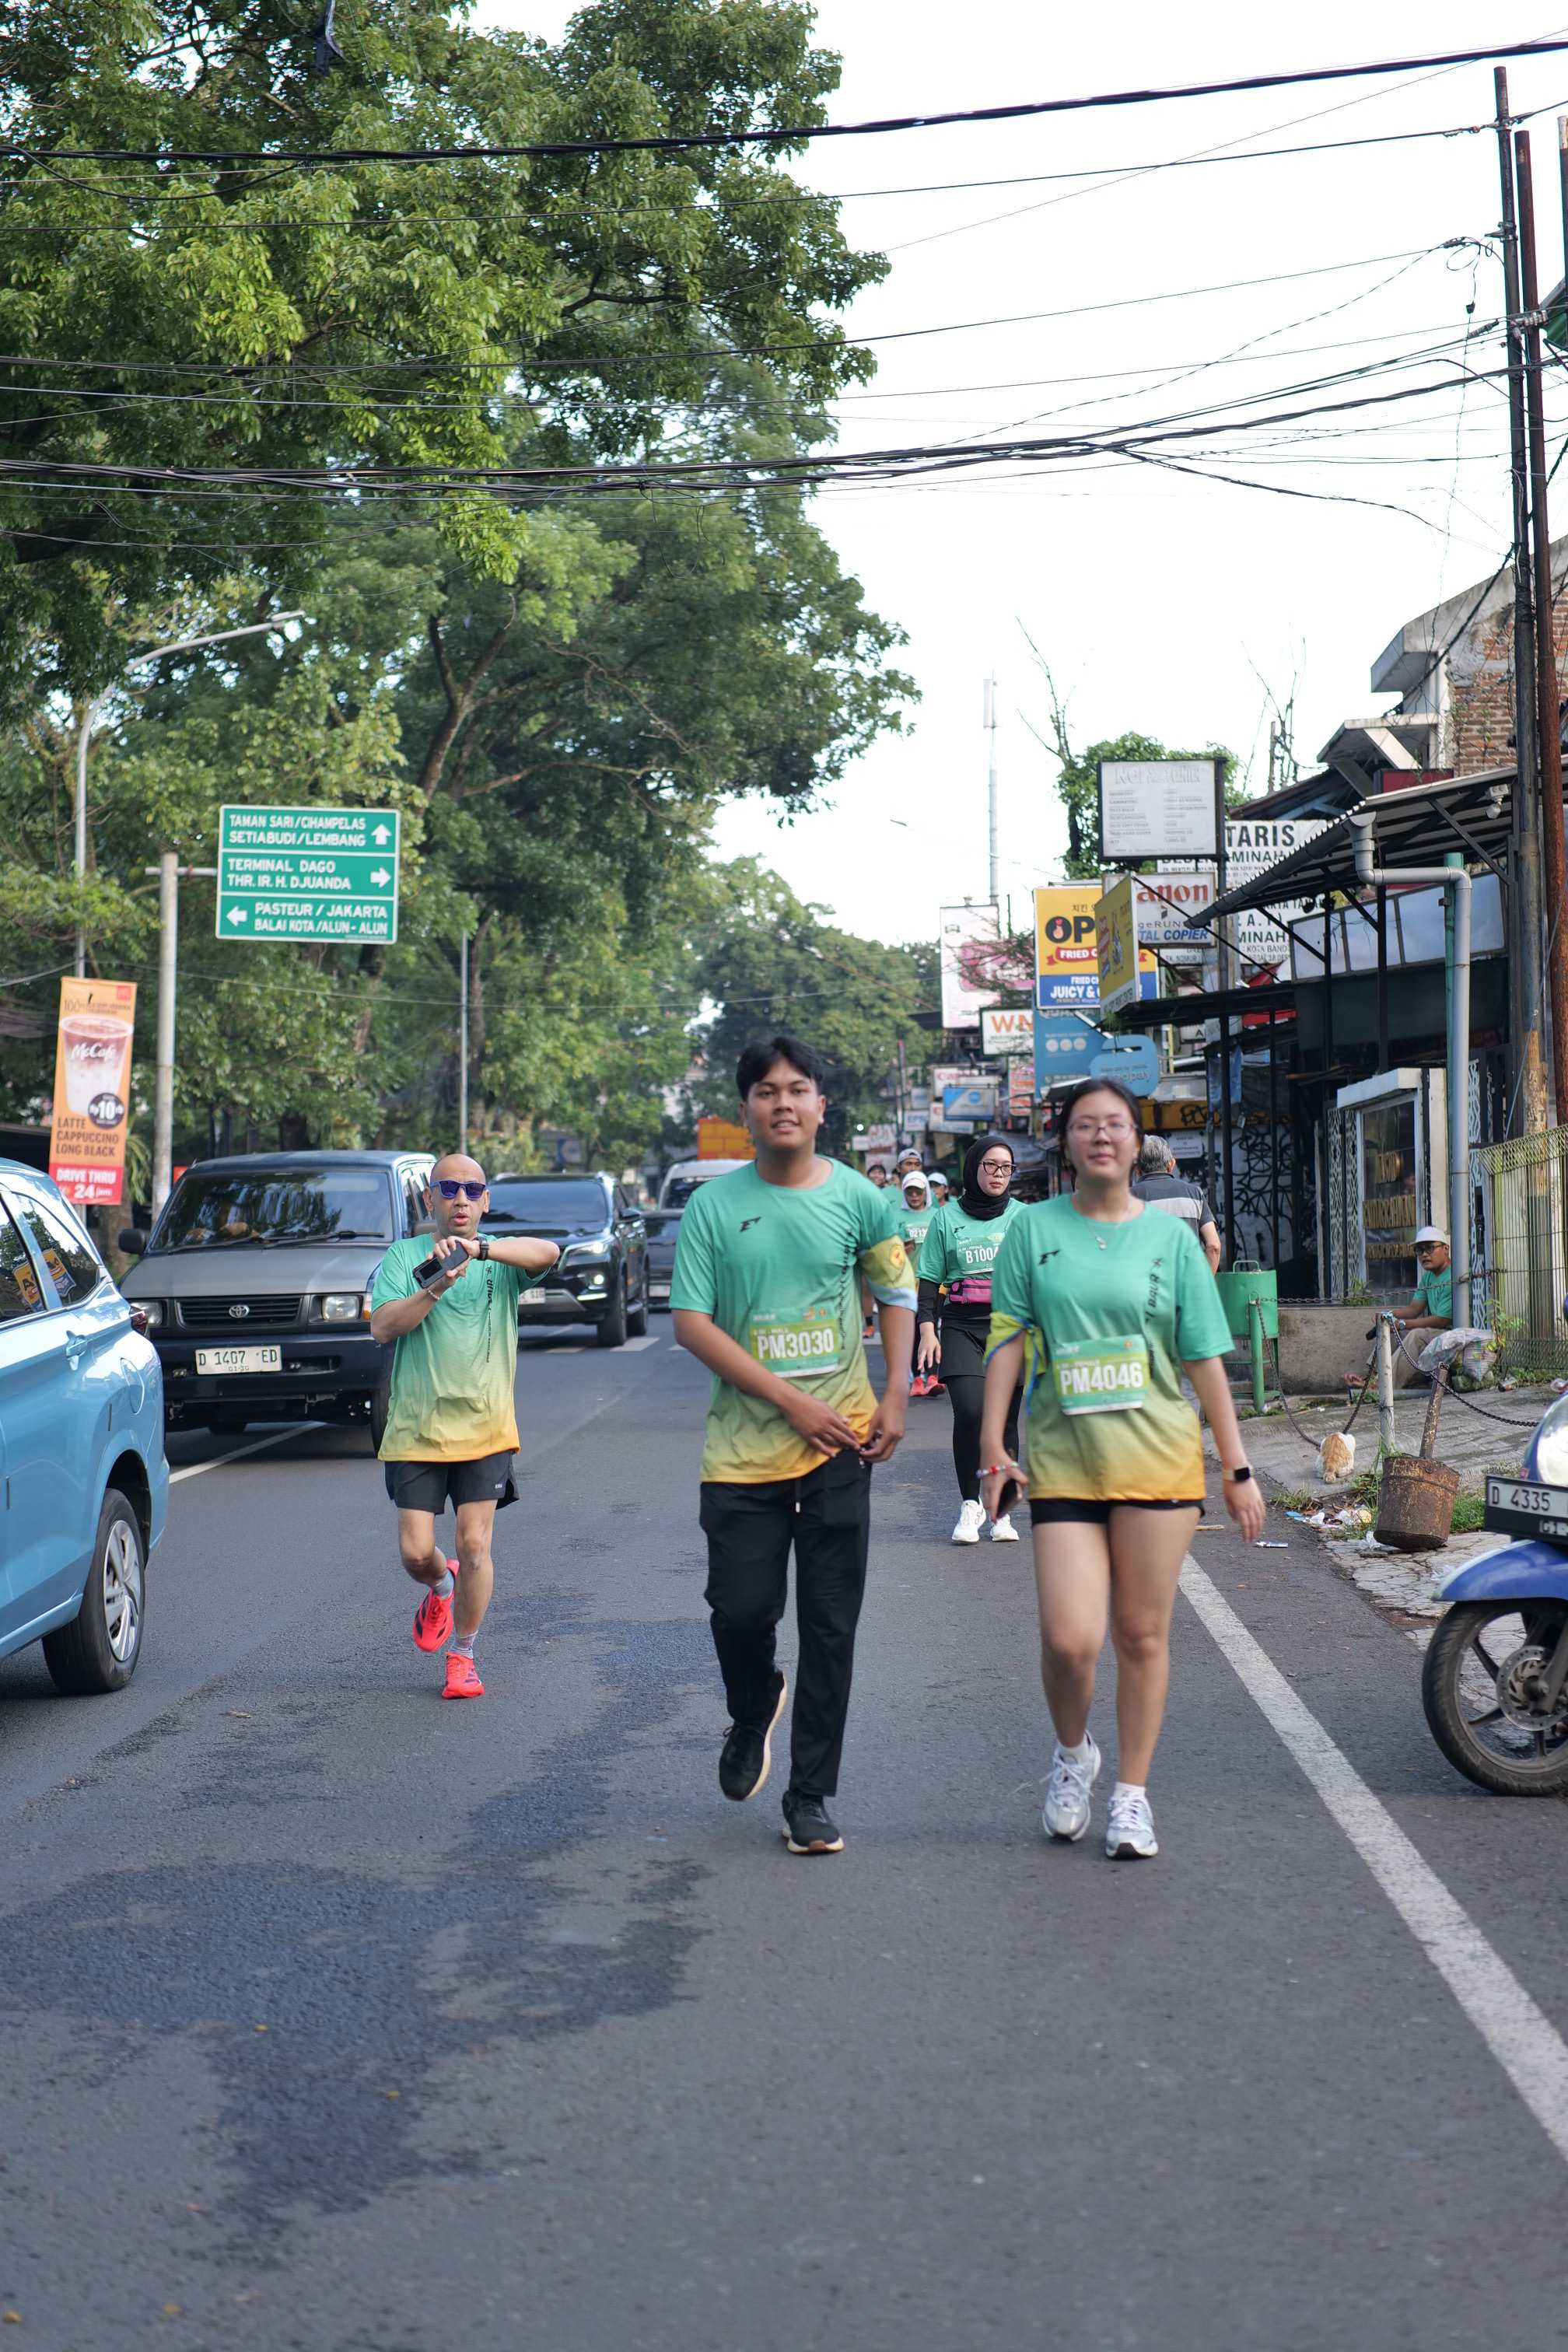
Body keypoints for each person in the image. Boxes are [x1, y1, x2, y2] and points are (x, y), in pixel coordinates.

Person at [978, 1078, 1265, 1860]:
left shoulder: (1172, 1241)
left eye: (1115, 1125)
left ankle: (1132, 1797)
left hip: (1158, 1462)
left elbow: (1202, 1356)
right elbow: (1008, 1338)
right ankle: (1074, 1756)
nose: (1101, 1136)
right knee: (1070, 1639)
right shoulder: (1032, 1230)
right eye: (1085, 1125)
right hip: (1065, 1462)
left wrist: (1237, 1466)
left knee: (1141, 1633)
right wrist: (994, 1448)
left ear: (1137, 1143)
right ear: (1065, 1143)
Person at [672, 1034, 915, 1857]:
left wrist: (893, 1394)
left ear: (821, 1105)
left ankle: (810, 1795)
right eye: (767, 1090)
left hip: (840, 1445)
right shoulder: (713, 1207)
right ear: (745, 1110)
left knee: (830, 1625)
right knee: (741, 1612)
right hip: (742, 1455)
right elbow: (691, 1323)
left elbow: (895, 1291)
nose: (784, 1102)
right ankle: (753, 1708)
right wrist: (788, 1400)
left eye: (798, 1088)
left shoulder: (861, 1199)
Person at [369, 1154, 560, 1699]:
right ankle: (441, 1583)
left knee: (475, 1543)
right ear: (429, 1198)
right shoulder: (404, 1256)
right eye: (449, 1188)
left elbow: (548, 1253)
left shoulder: (500, 1257)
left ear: (486, 1201)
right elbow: (382, 1327)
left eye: (472, 1190)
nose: (461, 1199)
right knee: (416, 1553)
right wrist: (435, 1287)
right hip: (417, 1427)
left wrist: (479, 1252)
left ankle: (464, 1654)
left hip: (486, 1425)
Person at [916, 1135, 1024, 1544]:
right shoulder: (946, 1219)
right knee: (971, 1411)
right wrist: (927, 1329)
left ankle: (1001, 1513)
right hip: (962, 1325)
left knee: (1006, 1420)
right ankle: (970, 1503)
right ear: (974, 1167)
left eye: (1006, 1167)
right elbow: (930, 1278)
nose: (999, 1174)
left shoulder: (1023, 1217)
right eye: (991, 1165)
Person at [1132, 1136, 1222, 1274]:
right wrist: (1204, 1283)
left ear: (1137, 1169)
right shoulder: (1195, 1194)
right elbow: (1214, 1246)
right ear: (1171, 1164)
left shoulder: (1127, 1199)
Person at [896, 1171, 938, 1396]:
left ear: (926, 1193)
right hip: (907, 1285)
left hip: (932, 1283)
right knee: (913, 1332)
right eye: (910, 1191)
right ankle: (917, 1379)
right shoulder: (896, 1217)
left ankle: (933, 1376)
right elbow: (890, 1251)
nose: (914, 1195)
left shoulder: (937, 1215)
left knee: (932, 1328)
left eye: (918, 1191)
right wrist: (901, 1247)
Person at [1400, 1227, 1452, 1334]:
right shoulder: (1428, 1277)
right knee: (1397, 1332)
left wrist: (1403, 1324)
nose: (1424, 1254)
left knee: (1416, 1335)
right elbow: (1414, 1309)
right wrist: (1387, 1315)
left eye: (1430, 1248)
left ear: (1446, 1249)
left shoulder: (1454, 1276)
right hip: (1441, 1333)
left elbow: (1441, 1320)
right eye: (1419, 1250)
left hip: (1457, 1334)